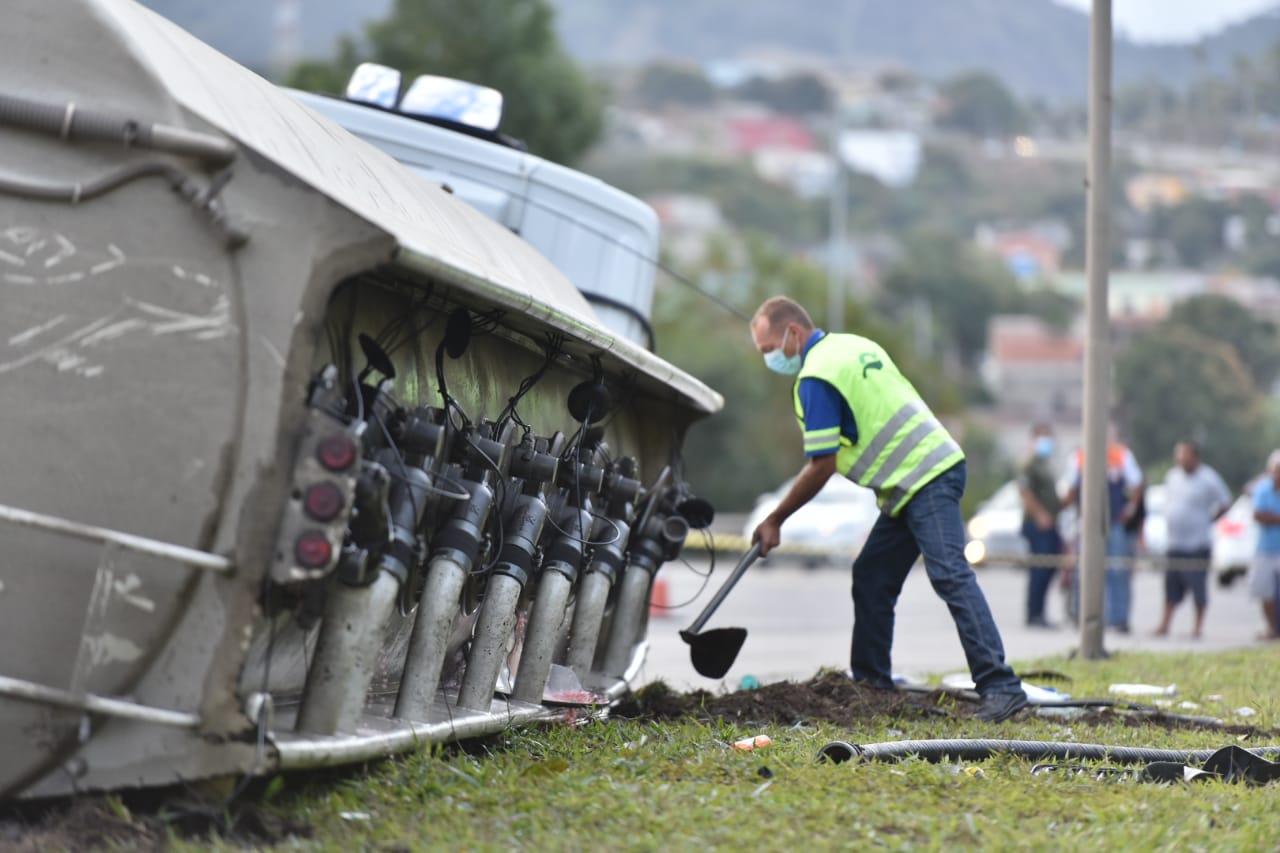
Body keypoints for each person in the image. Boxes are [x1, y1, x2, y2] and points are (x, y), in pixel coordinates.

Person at [747, 296, 1027, 723]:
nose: (769, 359)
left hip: (924, 478)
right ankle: (872, 686)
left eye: (769, 349)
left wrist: (775, 518)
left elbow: (821, 464)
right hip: (916, 481)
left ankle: (1001, 687)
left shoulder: (816, 376)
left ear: (793, 334)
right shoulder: (855, 346)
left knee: (950, 573)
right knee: (873, 575)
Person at [1062, 433, 1144, 633]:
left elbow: (1137, 484)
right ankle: (1081, 615)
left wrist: (1130, 509)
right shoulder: (1079, 456)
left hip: (1114, 522)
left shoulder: (1121, 455)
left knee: (1117, 571)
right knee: (1084, 571)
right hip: (1086, 523)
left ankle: (1119, 619)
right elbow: (1069, 488)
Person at [1153, 440, 1232, 639]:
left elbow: (1225, 501)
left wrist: (1210, 520)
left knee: (1198, 587)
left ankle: (1197, 627)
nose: (1181, 459)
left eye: (1185, 455)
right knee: (1171, 586)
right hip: (1174, 542)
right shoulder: (1172, 476)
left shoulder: (1208, 478)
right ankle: (1165, 624)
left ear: (1195, 457)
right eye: (1178, 455)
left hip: (1197, 543)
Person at [1017, 423, 1063, 628]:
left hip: (1051, 523)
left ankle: (1040, 612)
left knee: (1049, 567)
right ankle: (1034, 614)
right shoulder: (1029, 463)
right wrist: (1040, 515)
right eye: (1043, 437)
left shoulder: (1045, 463)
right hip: (1037, 524)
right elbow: (1025, 491)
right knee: (1040, 569)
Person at [1249, 450, 1280, 639]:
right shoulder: (1262, 489)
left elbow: (1265, 515)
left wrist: (1272, 517)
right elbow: (1258, 515)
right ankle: (1272, 628)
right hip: (1265, 548)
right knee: (1265, 591)